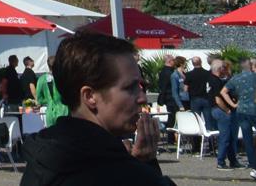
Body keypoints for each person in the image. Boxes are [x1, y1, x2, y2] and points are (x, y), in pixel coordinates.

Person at [18, 30, 171, 184]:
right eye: (130, 88)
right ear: (90, 96)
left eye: (141, 86)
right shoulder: (111, 172)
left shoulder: (42, 161)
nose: (142, 97)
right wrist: (146, 167)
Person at [185, 57, 216, 126]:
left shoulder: (189, 74)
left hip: (194, 99)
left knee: (196, 120)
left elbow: (185, 89)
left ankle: (197, 136)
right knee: (208, 120)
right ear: (201, 62)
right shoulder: (207, 73)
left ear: (193, 64)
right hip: (206, 98)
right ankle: (208, 134)